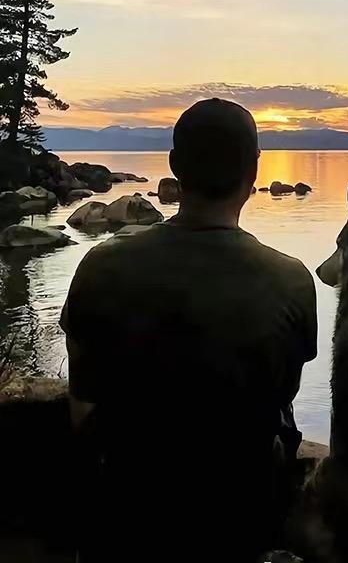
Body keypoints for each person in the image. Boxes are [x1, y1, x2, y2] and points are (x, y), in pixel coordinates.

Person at [60, 99, 318, 562]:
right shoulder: (291, 279)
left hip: (126, 513)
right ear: (253, 172)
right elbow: (281, 396)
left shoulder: (101, 266)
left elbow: (83, 408)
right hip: (238, 522)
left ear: (175, 167)